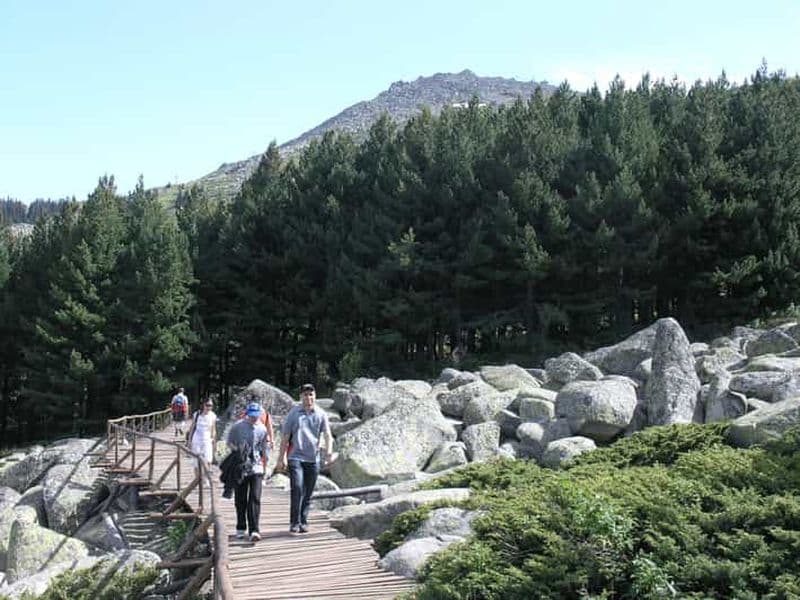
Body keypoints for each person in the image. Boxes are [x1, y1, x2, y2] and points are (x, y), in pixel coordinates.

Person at [276, 383, 333, 534]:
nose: (308, 397)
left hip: (313, 458)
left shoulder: (320, 414)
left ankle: (303, 520)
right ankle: (294, 522)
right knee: (297, 488)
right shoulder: (294, 413)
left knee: (308, 492)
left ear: (315, 396)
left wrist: (329, 453)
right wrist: (281, 459)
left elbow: (327, 435)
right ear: (300, 397)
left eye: (311, 394)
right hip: (295, 456)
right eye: (305, 395)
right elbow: (285, 437)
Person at [226, 402, 269, 542]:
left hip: (256, 468)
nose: (253, 418)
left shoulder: (262, 429)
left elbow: (264, 449)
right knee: (241, 498)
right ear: (247, 414)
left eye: (256, 416)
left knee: (255, 498)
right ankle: (240, 526)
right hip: (241, 467)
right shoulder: (237, 426)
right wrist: (237, 452)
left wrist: (266, 467)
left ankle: (254, 530)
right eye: (251, 416)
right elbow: (229, 442)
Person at [187, 398, 217, 481]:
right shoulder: (197, 414)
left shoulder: (213, 415)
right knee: (196, 461)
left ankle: (207, 478)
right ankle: (197, 480)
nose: (209, 407)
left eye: (211, 406)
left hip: (207, 440)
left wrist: (214, 440)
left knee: (208, 460)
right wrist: (189, 441)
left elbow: (213, 429)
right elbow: (192, 427)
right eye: (207, 405)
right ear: (203, 405)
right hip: (196, 440)